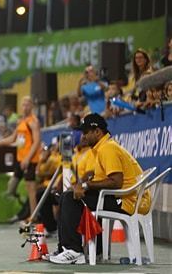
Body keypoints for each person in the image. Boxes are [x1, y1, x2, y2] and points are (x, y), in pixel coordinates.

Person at [49, 113, 150, 264]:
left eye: (86, 133)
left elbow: (116, 182)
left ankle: (75, 251)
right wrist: (82, 186)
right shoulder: (102, 148)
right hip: (121, 198)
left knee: (70, 198)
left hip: (127, 201)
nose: (82, 137)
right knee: (67, 195)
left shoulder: (107, 149)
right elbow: (103, 180)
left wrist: (86, 185)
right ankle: (67, 249)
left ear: (97, 132)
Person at [0, 96, 41, 221]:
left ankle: (33, 216)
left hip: (29, 160)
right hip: (20, 159)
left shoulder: (33, 122)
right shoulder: (21, 121)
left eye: (27, 104)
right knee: (11, 186)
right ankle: (22, 204)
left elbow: (36, 142)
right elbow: (13, 138)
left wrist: (28, 158)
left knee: (31, 188)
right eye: (23, 104)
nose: (25, 106)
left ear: (32, 106)